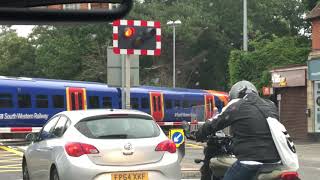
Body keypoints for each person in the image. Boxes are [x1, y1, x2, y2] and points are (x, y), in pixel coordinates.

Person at [196, 80, 280, 180]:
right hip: (276, 162)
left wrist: (198, 133)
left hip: (250, 161)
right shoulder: (270, 105)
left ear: (234, 95)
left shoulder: (236, 105)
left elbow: (214, 123)